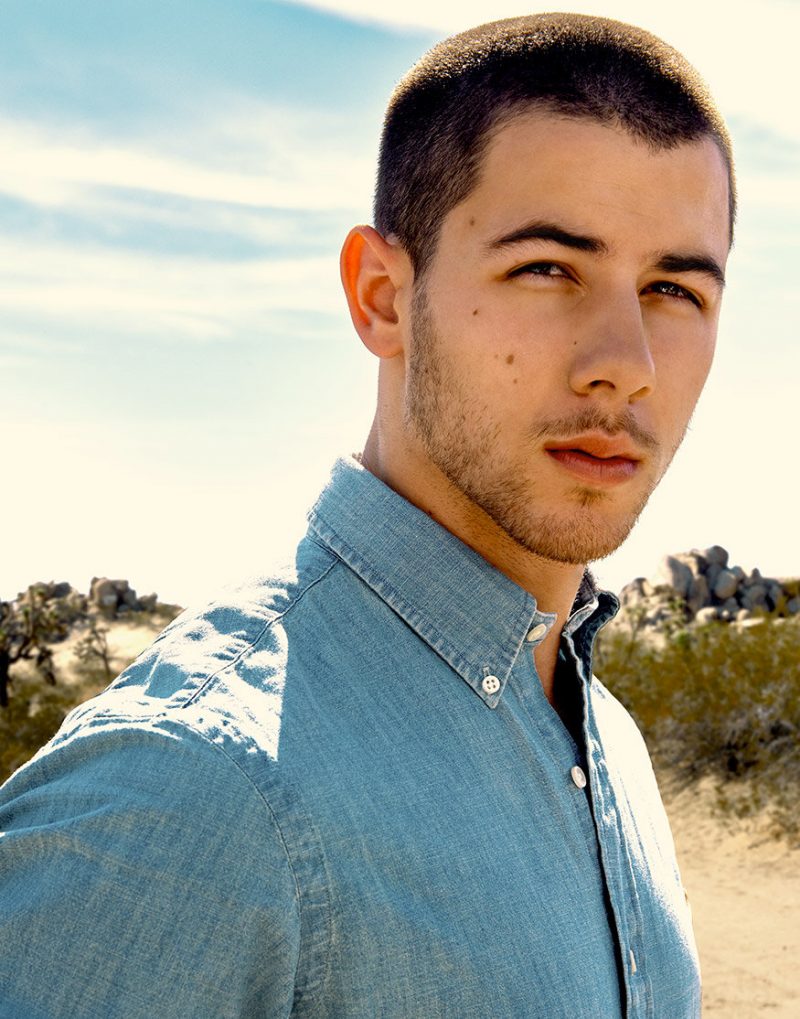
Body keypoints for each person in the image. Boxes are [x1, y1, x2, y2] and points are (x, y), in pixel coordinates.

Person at [0, 13, 733, 1018]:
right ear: (382, 295)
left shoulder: (600, 735)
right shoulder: (190, 789)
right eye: (547, 268)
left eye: (671, 288)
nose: (625, 361)